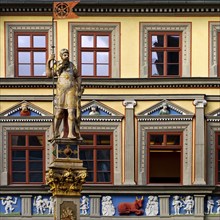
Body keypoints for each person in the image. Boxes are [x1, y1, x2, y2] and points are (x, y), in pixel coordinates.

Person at [46, 48, 82, 139]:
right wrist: (49, 61)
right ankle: (55, 132)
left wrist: (79, 87)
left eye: (67, 53)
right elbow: (49, 75)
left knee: (71, 111)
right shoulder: (57, 64)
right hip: (61, 91)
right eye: (64, 54)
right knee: (58, 112)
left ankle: (70, 133)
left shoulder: (71, 65)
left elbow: (77, 76)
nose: (66, 55)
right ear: (61, 56)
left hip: (71, 90)